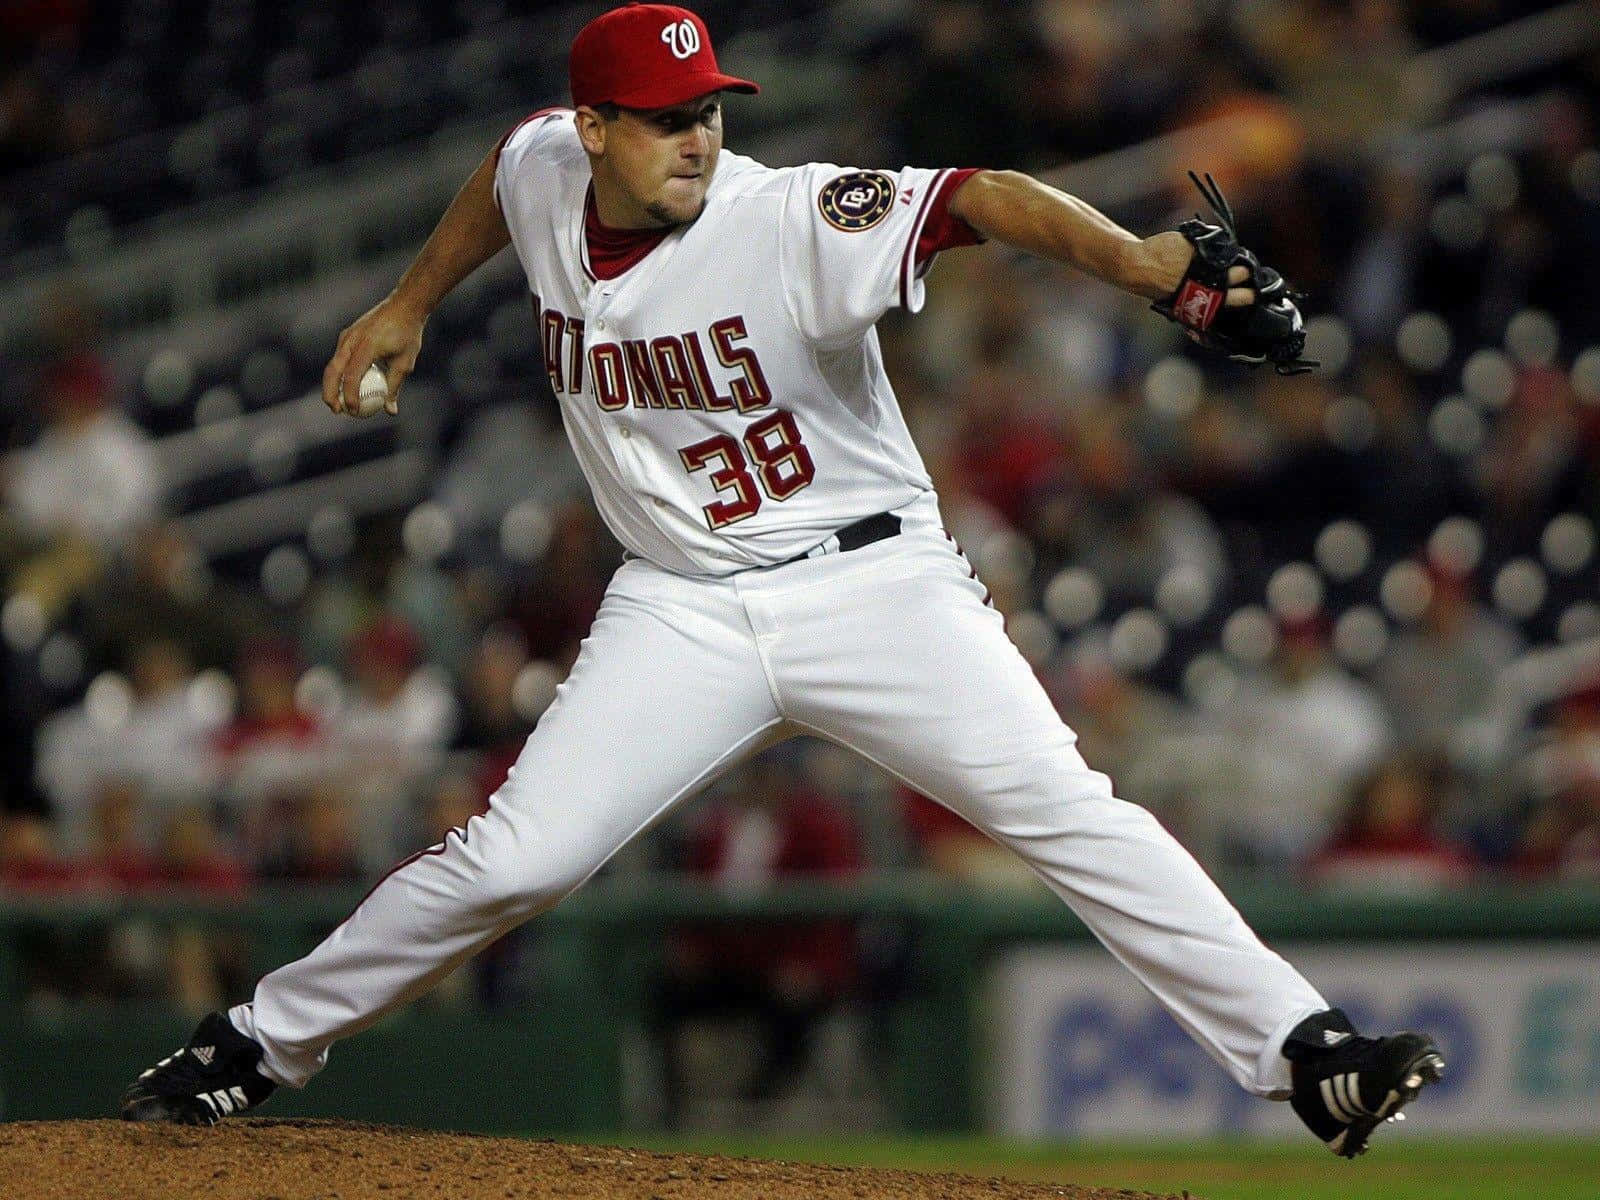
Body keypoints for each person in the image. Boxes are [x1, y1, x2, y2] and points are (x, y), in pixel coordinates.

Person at [122, 2, 1442, 1156]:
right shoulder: (545, 165)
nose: (695, 138)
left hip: (875, 588)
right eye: (662, 120)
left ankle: (1309, 1054)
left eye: (706, 110)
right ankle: (257, 1042)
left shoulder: (785, 214)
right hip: (680, 603)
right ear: (594, 129)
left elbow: (977, 197)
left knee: (1064, 808)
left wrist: (1149, 266)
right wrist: (411, 300)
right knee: (513, 863)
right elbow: (503, 171)